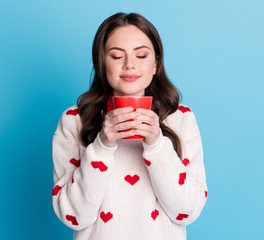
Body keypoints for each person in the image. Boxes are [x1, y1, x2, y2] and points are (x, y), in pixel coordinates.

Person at [52, 12, 208, 240]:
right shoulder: (75, 120)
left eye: (141, 55)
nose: (129, 65)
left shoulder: (181, 119)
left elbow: (187, 211)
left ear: (156, 64)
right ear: (101, 63)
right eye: (116, 56)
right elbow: (74, 216)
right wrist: (102, 146)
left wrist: (156, 144)